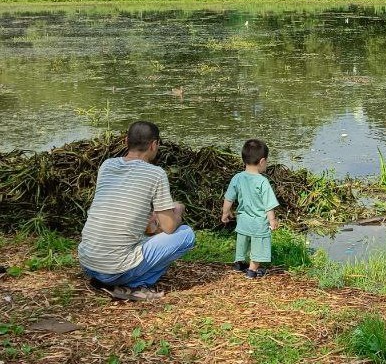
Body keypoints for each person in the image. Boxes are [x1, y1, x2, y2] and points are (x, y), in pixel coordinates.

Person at [78, 121, 195, 301]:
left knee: (146, 229)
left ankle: (109, 280)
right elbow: (169, 227)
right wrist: (178, 210)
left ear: (126, 141)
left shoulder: (107, 166)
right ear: (154, 145)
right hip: (114, 270)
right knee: (186, 235)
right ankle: (135, 285)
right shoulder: (156, 174)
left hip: (88, 263)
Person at [221, 138, 279, 279]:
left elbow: (229, 198)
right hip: (258, 222)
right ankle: (252, 270)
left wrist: (225, 213)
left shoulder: (237, 178)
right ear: (262, 161)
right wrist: (272, 220)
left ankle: (239, 263)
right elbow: (268, 205)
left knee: (243, 241)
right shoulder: (263, 182)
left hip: (243, 220)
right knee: (259, 244)